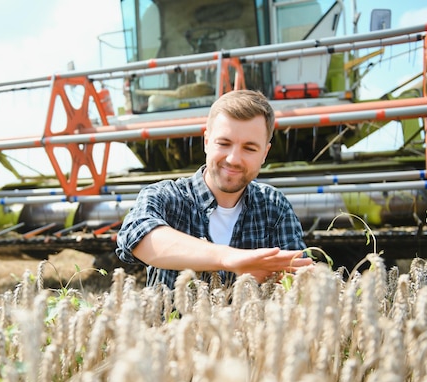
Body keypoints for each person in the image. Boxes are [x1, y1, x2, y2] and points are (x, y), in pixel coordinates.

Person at [115, 89, 312, 288]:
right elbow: (137, 236)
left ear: (264, 153)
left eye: (249, 148)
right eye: (224, 143)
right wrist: (229, 258)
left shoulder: (274, 206)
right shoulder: (166, 196)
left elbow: (297, 280)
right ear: (207, 141)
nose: (233, 159)